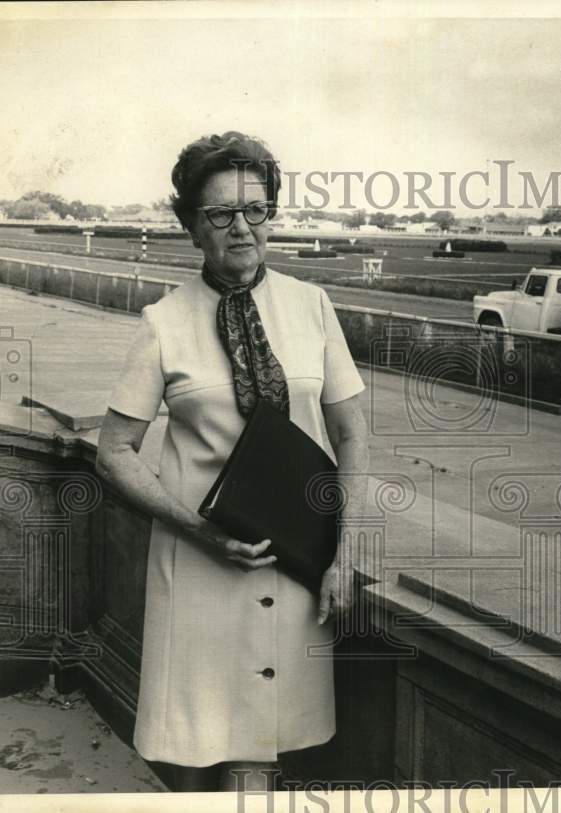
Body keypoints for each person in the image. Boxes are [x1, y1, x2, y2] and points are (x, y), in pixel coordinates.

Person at [95, 131, 369, 793]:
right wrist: (197, 528)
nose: (241, 228)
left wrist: (345, 554)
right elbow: (113, 453)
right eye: (219, 214)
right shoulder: (164, 322)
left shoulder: (313, 307)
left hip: (297, 568)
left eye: (256, 209)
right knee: (192, 753)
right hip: (198, 570)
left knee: (261, 754)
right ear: (192, 226)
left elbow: (352, 434)